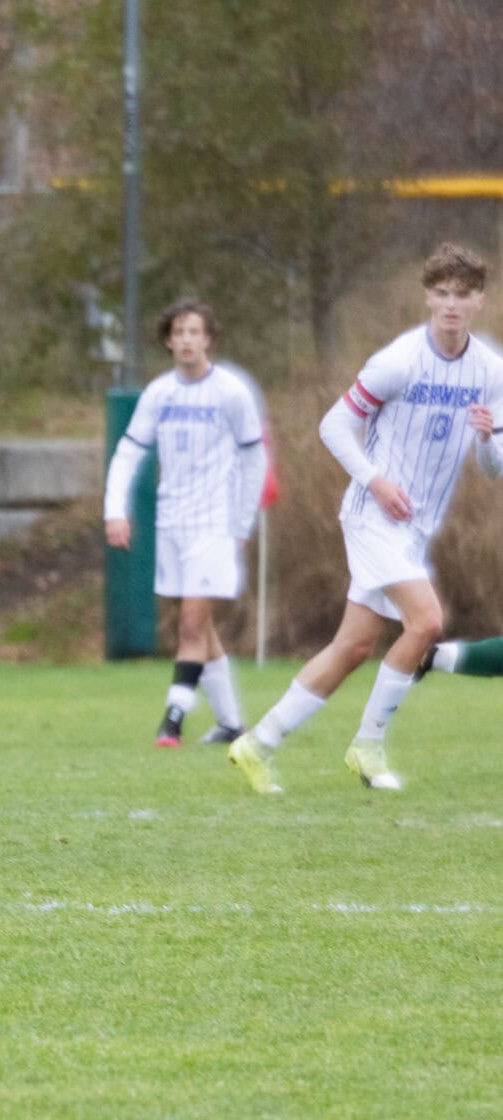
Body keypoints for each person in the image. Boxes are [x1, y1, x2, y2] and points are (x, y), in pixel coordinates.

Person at [228, 242, 503, 793]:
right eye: (441, 293)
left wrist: (489, 436)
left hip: (415, 530)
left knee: (352, 648)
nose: (451, 304)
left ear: (479, 300)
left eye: (462, 294)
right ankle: (367, 748)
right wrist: (375, 481)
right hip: (370, 516)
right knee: (426, 622)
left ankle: (256, 743)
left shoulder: (491, 370)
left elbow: (493, 469)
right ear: (428, 296)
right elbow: (334, 425)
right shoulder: (397, 361)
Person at [104, 299, 267, 748]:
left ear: (208, 339)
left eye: (196, 332)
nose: (188, 340)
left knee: (192, 625)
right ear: (169, 340)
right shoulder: (159, 394)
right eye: (180, 332)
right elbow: (128, 453)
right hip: (170, 523)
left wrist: (241, 521)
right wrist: (115, 510)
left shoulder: (231, 392)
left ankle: (172, 719)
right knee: (197, 623)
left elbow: (255, 458)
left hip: (214, 523)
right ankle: (233, 723)